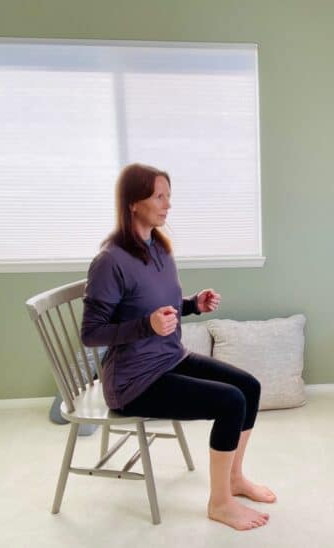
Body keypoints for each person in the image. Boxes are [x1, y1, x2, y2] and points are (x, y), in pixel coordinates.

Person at [81, 163, 276, 530]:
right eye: (159, 196)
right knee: (230, 401)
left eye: (168, 196)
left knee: (249, 386)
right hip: (133, 382)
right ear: (133, 202)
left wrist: (192, 305)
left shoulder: (158, 248)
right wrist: (146, 326)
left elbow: (157, 307)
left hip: (168, 358)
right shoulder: (110, 261)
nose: (168, 204)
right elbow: (91, 333)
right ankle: (220, 503)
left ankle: (234, 478)